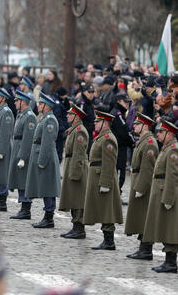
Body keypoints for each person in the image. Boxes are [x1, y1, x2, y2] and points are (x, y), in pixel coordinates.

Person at [83, 111, 123, 250]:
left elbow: (109, 162)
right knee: (102, 208)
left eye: (97, 121)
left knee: (106, 209)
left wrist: (105, 183)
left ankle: (109, 241)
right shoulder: (102, 137)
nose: (95, 123)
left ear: (105, 123)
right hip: (97, 175)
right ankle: (107, 240)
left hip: (103, 177)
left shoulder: (108, 138)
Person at [142, 119, 178, 273]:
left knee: (169, 228)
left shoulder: (173, 150)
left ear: (169, 134)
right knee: (164, 227)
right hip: (161, 191)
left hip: (167, 193)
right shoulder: (166, 148)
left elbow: (173, 176)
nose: (158, 134)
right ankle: (168, 262)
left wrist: (169, 198)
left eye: (161, 132)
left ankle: (171, 263)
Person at [124, 113, 159, 259]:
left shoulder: (149, 142)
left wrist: (141, 187)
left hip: (144, 184)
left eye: (137, 124)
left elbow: (147, 168)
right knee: (140, 216)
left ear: (145, 126)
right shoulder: (144, 140)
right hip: (138, 179)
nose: (134, 126)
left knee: (145, 217)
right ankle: (143, 248)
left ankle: (146, 250)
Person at [27, 93, 62, 229]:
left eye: (41, 104)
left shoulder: (50, 120)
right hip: (41, 153)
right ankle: (47, 216)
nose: (39, 105)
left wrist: (42, 160)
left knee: (48, 188)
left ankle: (49, 218)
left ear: (47, 106)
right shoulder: (44, 118)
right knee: (45, 186)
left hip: (46, 156)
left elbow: (47, 142)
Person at [58, 104, 90, 239]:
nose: (67, 116)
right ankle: (75, 227)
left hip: (77, 166)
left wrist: (75, 173)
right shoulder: (74, 129)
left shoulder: (80, 131)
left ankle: (79, 228)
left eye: (70, 114)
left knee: (78, 198)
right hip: (71, 164)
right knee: (73, 197)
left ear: (76, 117)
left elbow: (78, 153)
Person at [8, 90, 37, 219]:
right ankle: (23, 207)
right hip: (17, 146)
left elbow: (28, 138)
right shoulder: (22, 114)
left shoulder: (30, 116)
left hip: (23, 149)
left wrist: (23, 157)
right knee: (19, 178)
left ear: (24, 102)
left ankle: (26, 208)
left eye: (17, 101)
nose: (15, 103)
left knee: (23, 179)